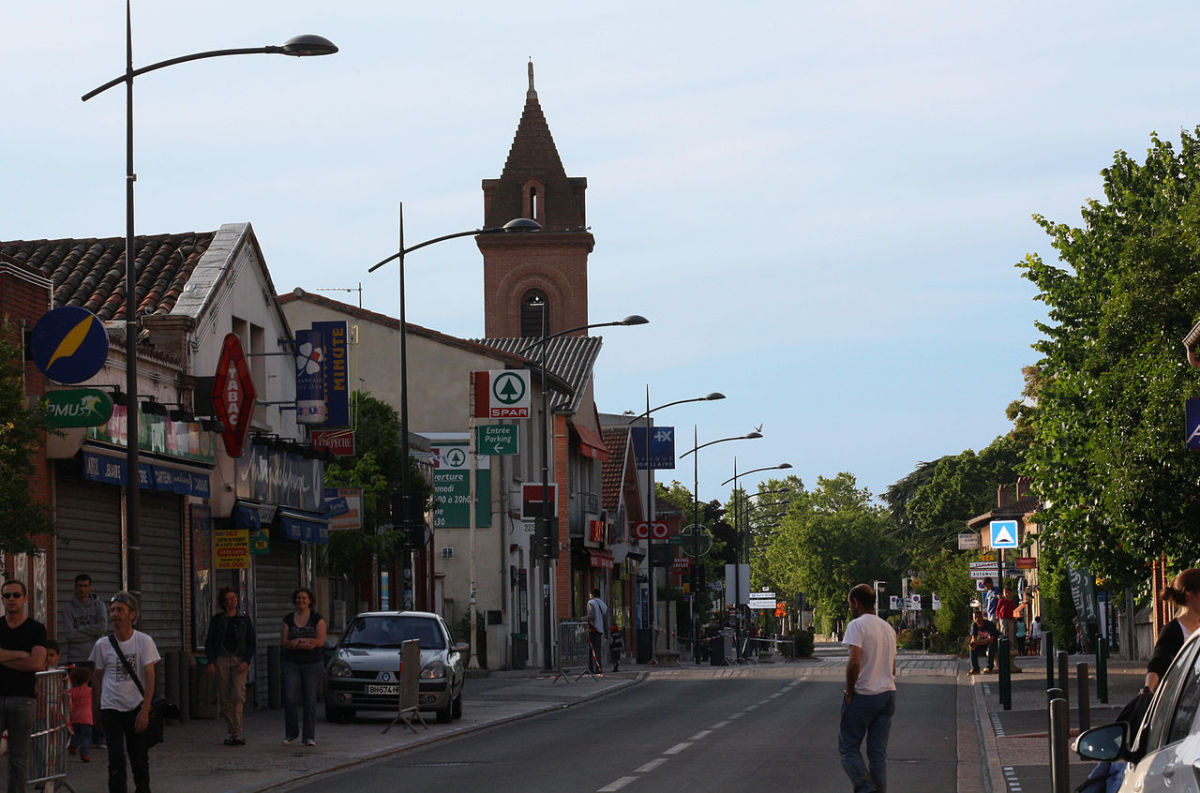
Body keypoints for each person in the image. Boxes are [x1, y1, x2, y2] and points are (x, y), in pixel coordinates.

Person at [91, 590, 159, 793]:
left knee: (139, 757)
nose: (115, 614)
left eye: (120, 610)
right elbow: (97, 677)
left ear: (132, 614)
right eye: (112, 610)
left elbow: (150, 676)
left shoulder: (144, 641)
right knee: (116, 759)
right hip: (111, 707)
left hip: (136, 707)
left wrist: (145, 710)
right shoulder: (102, 645)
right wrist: (96, 710)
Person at [839, 583, 896, 793]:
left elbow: (854, 661)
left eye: (849, 604)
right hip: (888, 693)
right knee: (877, 753)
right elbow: (893, 666)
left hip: (864, 694)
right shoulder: (887, 628)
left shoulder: (857, 625)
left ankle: (865, 787)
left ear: (856, 602)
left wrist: (849, 691)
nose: (849, 609)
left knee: (848, 747)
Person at [0, 580, 47, 793]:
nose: (11, 599)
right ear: (2, 599)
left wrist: (2, 656)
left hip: (23, 698)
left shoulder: (36, 629)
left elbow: (36, 663)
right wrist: (20, 654)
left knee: (18, 759)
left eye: (16, 595)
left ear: (26, 598)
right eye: (7, 595)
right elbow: (27, 660)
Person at [204, 586, 256, 746]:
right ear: (224, 602)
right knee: (225, 696)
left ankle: (236, 732)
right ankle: (233, 731)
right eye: (229, 599)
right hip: (222, 659)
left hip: (239, 659)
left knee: (238, 694)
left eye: (234, 598)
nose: (233, 601)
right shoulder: (217, 620)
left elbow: (251, 643)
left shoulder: (244, 620)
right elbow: (210, 642)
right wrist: (211, 661)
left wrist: (246, 661)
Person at [281, 587, 325, 747]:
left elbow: (320, 641)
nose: (301, 601)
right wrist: (297, 643)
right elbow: (285, 642)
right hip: (292, 662)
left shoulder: (317, 618)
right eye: (299, 598)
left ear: (310, 601)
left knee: (310, 700)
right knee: (290, 698)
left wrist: (305, 642)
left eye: (304, 598)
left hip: (312, 663)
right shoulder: (288, 619)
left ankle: (308, 736)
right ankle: (291, 733)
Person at [1145, 568, 1200, 693]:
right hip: (1186, 704)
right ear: (1190, 595)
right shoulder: (1172, 631)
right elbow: (1157, 664)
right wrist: (1148, 688)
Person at [61, 574, 106, 669]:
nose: (82, 589)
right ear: (75, 587)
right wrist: (93, 634)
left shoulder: (99, 605)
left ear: (90, 587)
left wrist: (79, 629)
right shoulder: (68, 609)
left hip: (95, 657)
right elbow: (70, 634)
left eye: (85, 586)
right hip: (75, 658)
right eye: (80, 586)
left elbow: (102, 628)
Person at [68, 666, 94, 762]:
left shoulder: (72, 691)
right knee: (86, 737)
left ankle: (73, 746)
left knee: (75, 734)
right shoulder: (90, 691)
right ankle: (84, 754)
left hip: (74, 716)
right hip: (87, 717)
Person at [585, 588, 608, 675]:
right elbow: (605, 618)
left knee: (591, 650)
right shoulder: (603, 604)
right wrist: (606, 632)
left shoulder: (591, 602)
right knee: (597, 650)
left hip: (593, 628)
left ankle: (592, 668)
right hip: (600, 629)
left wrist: (582, 618)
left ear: (592, 595)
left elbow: (592, 616)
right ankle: (598, 668)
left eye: (590, 594)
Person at [968, 610, 999, 674]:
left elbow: (991, 639)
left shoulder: (989, 624)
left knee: (991, 646)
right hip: (982, 643)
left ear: (982, 617)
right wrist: (972, 644)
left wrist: (977, 643)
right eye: (975, 618)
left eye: (978, 617)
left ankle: (989, 667)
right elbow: (974, 638)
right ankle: (975, 668)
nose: (977, 620)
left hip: (994, 643)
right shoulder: (974, 625)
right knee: (972, 648)